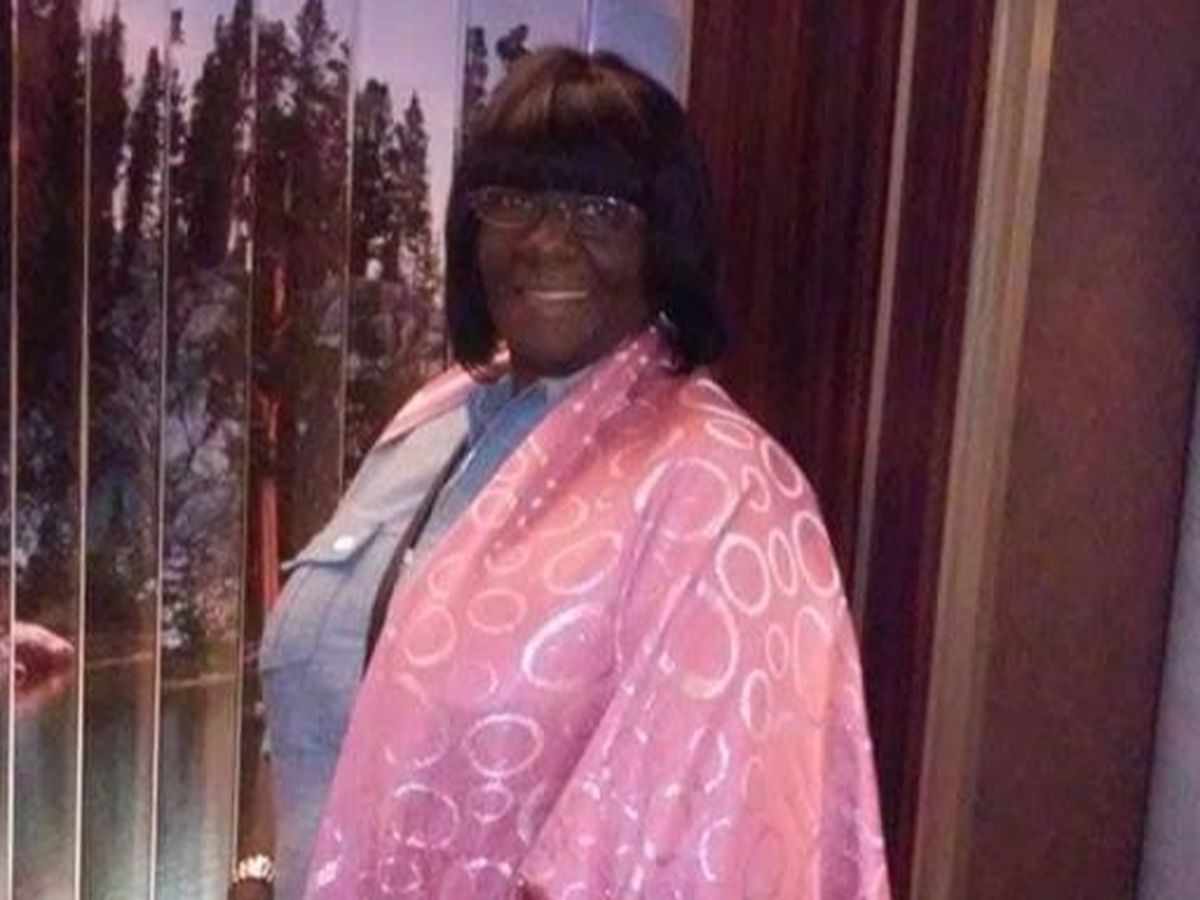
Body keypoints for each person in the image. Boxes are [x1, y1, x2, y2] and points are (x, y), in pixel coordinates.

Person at [235, 47, 889, 899]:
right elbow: (303, 708)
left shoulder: (724, 494)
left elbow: (700, 845)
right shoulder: (428, 423)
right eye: (515, 201)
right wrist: (252, 876)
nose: (548, 241)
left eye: (600, 209)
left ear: (665, 242)